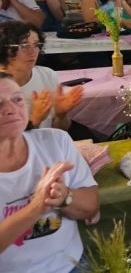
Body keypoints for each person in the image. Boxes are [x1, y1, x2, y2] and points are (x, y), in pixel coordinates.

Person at [0, 72, 99, 271]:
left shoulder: (56, 141)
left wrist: (64, 197)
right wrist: (37, 205)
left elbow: (91, 206)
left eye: (17, 99)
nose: (11, 109)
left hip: (70, 266)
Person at [0, 21, 83, 133]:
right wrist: (35, 120)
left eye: (36, 45)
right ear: (4, 49)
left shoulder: (47, 75)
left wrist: (61, 115)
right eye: (24, 45)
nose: (32, 52)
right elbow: (8, 143)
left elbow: (58, 131)